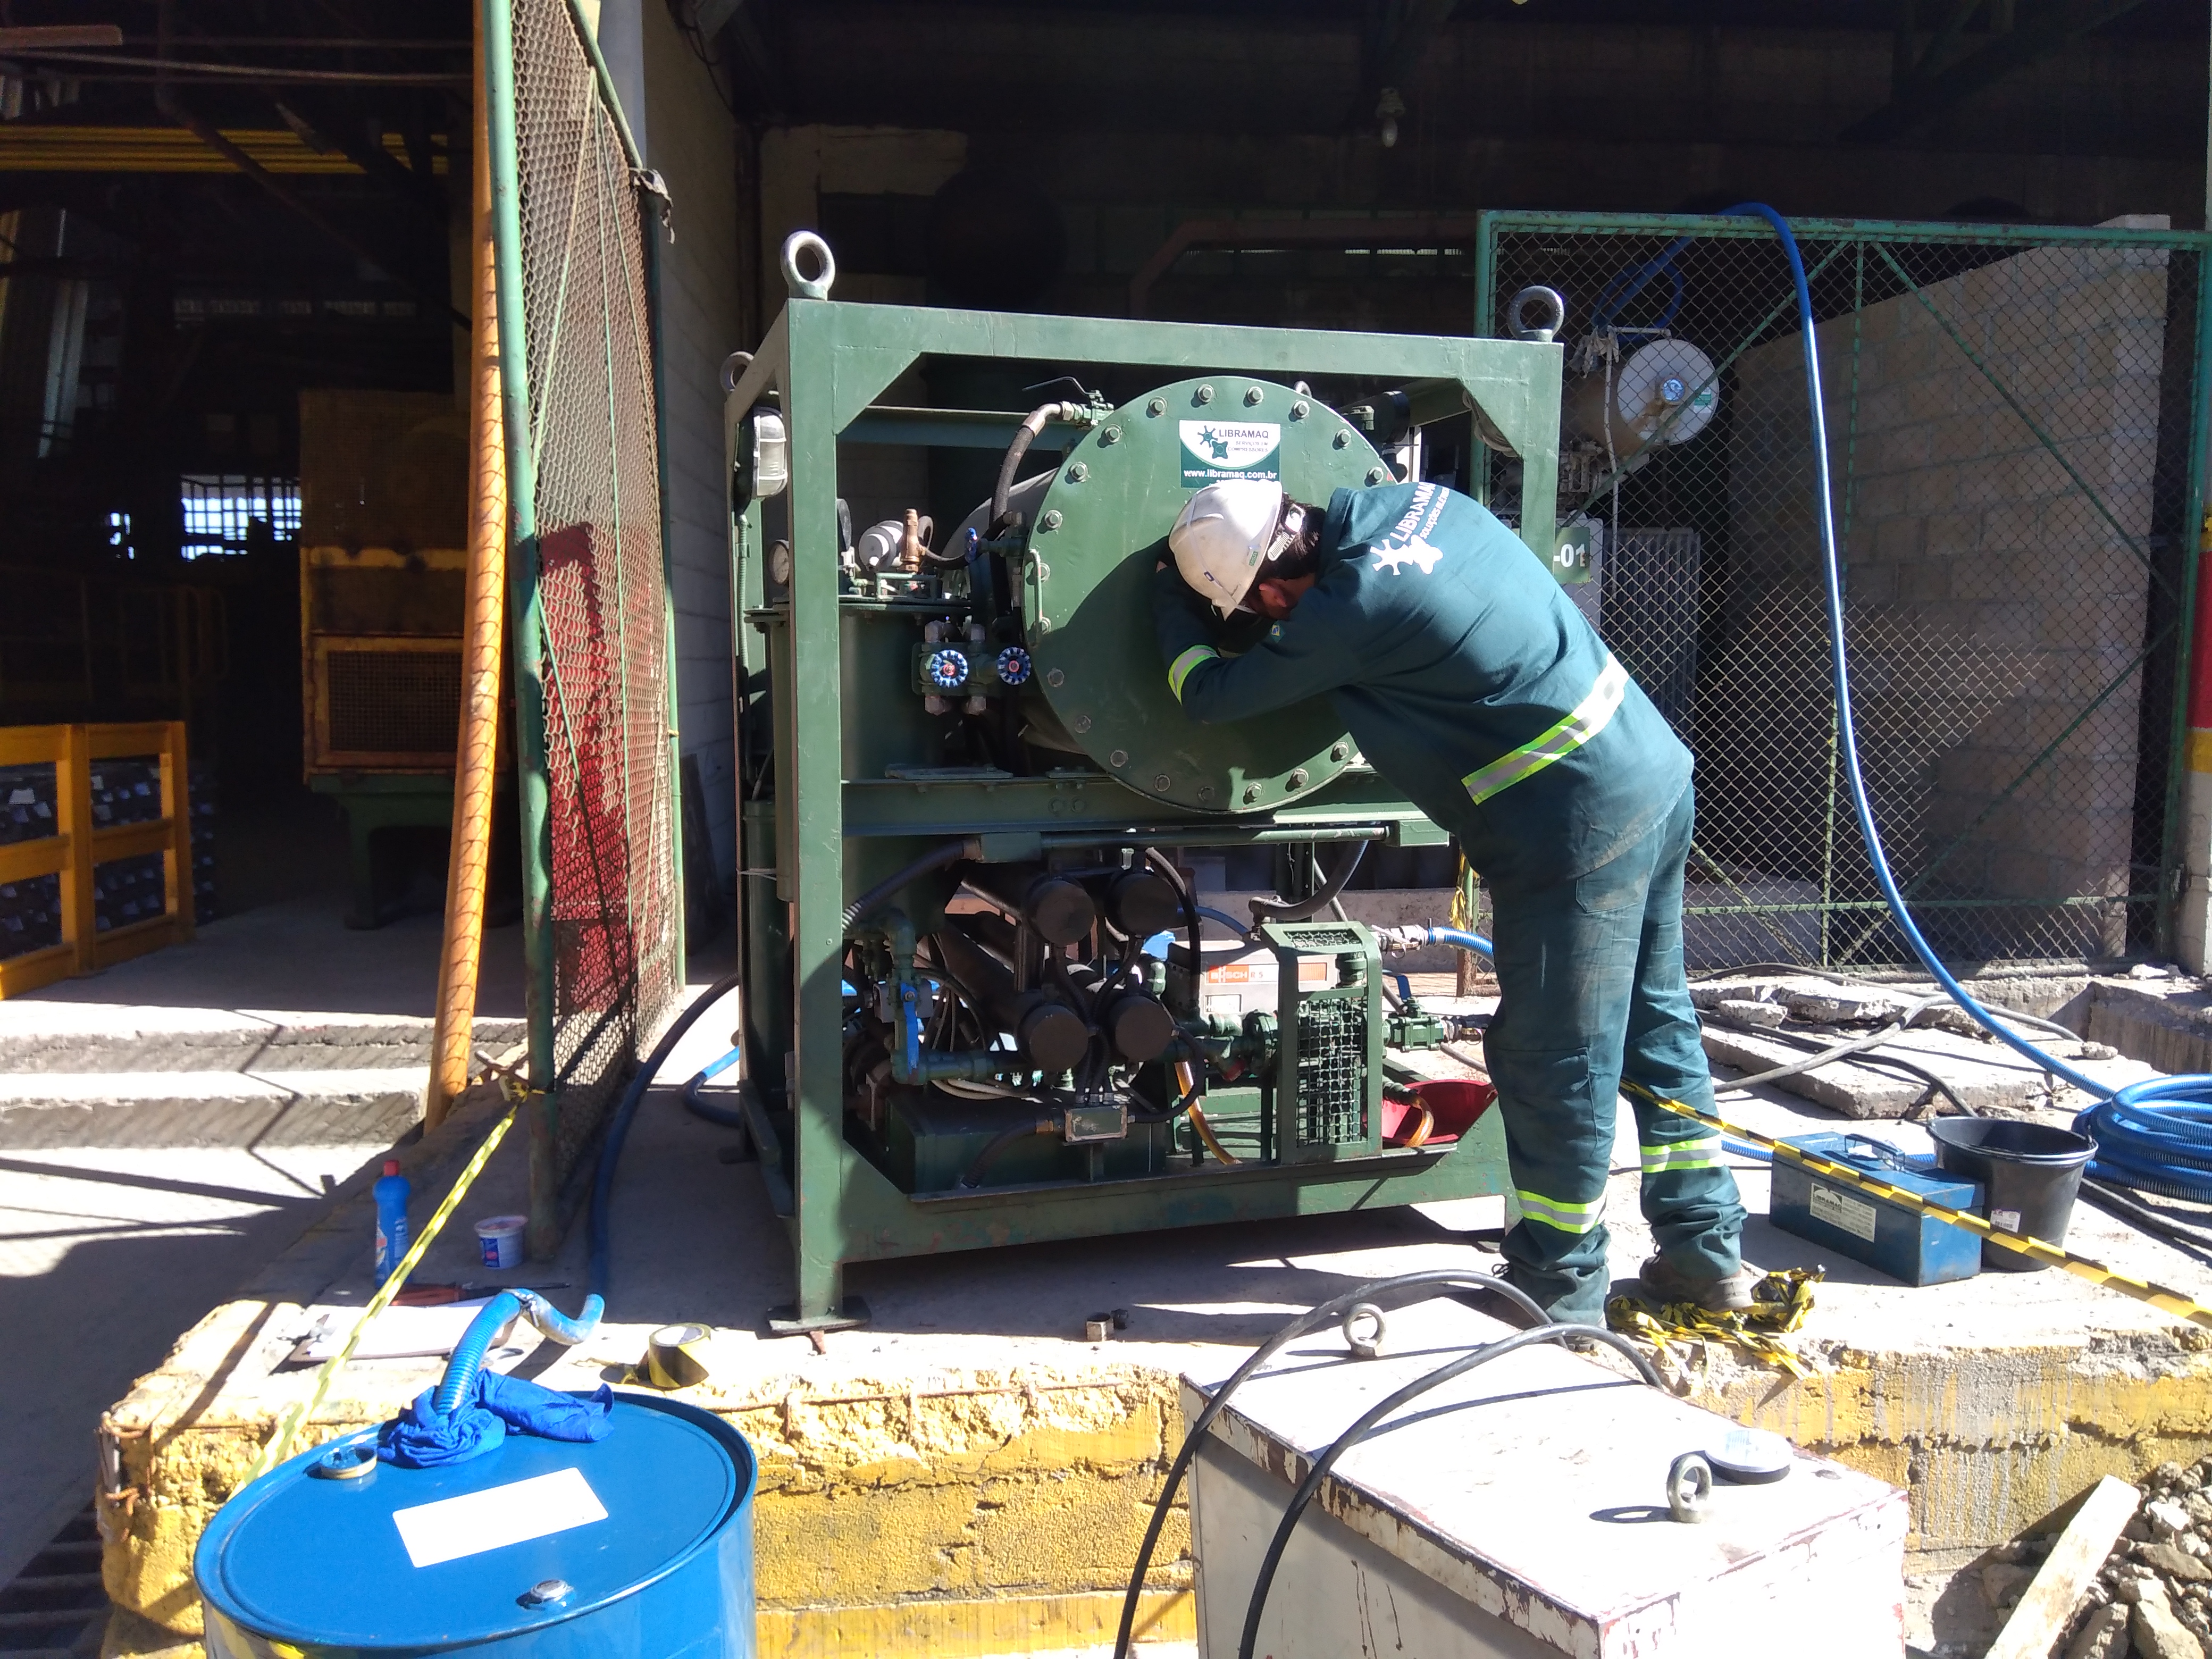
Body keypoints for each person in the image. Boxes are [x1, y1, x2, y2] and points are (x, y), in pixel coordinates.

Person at [1154, 475, 1749, 1326]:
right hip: (1651, 771)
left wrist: (1168, 601)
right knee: (1655, 1023)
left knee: (1558, 1057)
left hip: (1576, 825)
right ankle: (1705, 1253)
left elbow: (1212, 696)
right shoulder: (1421, 502)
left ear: (1272, 594)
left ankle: (1559, 1284)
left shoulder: (1350, 607)